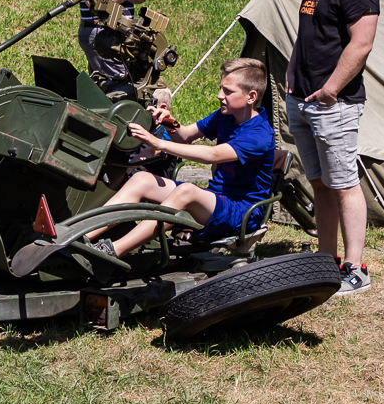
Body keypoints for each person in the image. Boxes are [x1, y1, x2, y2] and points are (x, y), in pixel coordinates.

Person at [84, 58, 276, 256]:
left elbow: (213, 154)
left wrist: (159, 143)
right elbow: (185, 135)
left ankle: (113, 251)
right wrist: (168, 122)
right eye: (221, 88)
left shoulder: (260, 134)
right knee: (142, 180)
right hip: (215, 201)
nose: (220, 95)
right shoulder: (225, 116)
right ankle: (82, 237)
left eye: (228, 91)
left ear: (251, 97)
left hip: (241, 212)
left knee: (187, 191)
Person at [284, 0, 379, 295]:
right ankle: (327, 262)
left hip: (333, 104)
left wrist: (331, 89)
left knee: (344, 185)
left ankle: (355, 269)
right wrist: (291, 69)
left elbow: (362, 44)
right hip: (303, 100)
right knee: (320, 184)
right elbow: (307, 34)